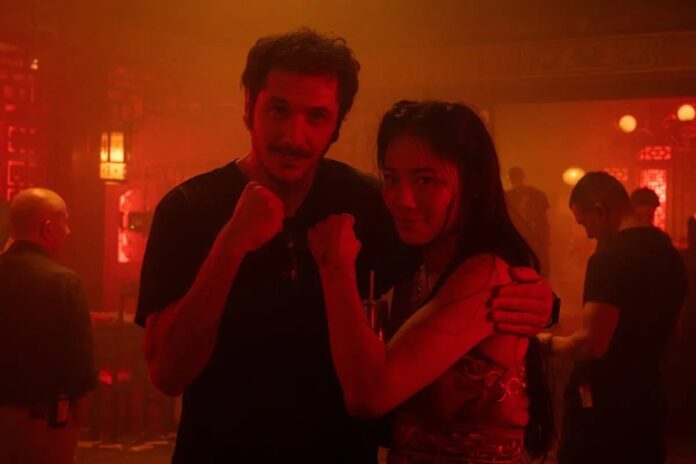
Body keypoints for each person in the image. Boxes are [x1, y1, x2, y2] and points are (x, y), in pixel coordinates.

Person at [136, 29, 553, 463]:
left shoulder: (370, 204)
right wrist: (230, 244)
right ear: (248, 106)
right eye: (279, 110)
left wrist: (536, 299)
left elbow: (453, 278)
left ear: (338, 123)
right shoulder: (190, 208)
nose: (294, 135)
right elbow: (167, 374)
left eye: (316, 116)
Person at [308, 101, 555, 463]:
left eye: (425, 180)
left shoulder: (483, 272)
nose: (402, 200)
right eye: (391, 179)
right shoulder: (418, 267)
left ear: (474, 183)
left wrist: (335, 267)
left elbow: (369, 395)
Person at [538, 172, 687, 463]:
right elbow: (676, 330)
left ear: (600, 210)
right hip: (649, 396)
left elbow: (591, 345)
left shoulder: (609, 259)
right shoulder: (671, 255)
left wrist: (543, 343)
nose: (588, 234)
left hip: (605, 405)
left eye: (585, 223)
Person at [0, 188, 96, 464]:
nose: (68, 231)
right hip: (42, 421)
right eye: (65, 222)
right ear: (48, 228)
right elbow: (79, 363)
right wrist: (77, 419)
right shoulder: (64, 282)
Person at [506, 167, 551, 278]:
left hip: (517, 238)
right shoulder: (539, 194)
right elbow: (545, 218)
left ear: (510, 178)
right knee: (541, 269)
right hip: (537, 237)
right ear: (523, 177)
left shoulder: (506, 197)